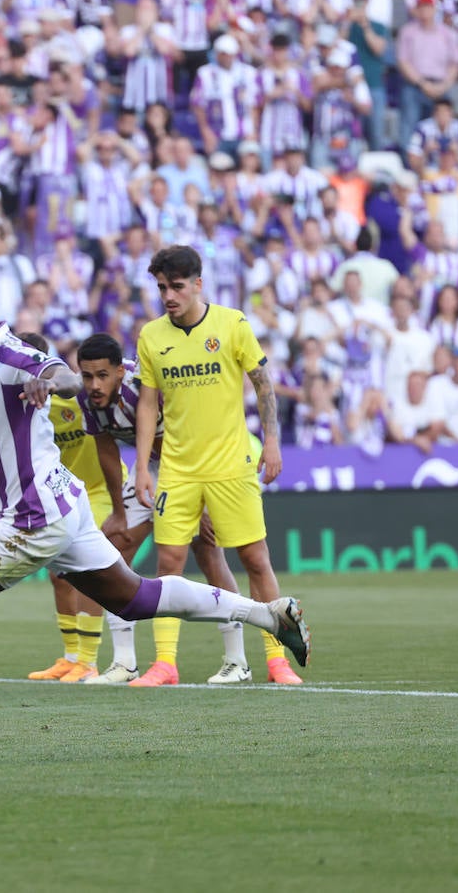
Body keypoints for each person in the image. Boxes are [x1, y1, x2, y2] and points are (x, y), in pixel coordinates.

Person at [0, 274, 310, 761]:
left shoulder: (11, 356)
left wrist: (48, 381)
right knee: (134, 597)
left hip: (34, 517)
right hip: (64, 507)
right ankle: (268, 614)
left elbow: (62, 376)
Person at [132, 246, 304, 687]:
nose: (168, 295)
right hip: (178, 470)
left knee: (255, 560)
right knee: (168, 562)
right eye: (161, 287)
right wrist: (140, 466)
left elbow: (263, 384)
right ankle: (165, 664)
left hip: (232, 465)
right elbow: (148, 404)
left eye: (176, 286)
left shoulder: (233, 324)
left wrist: (272, 442)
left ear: (198, 284)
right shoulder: (151, 336)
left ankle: (277, 661)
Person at [70, 333, 248, 686]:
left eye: (102, 375)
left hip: (192, 465)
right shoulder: (87, 399)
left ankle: (237, 661)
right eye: (87, 376)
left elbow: (194, 431)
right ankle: (124, 662)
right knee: (113, 551)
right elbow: (106, 450)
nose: (94, 384)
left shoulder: (146, 387)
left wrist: (204, 498)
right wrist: (119, 510)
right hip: (150, 471)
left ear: (121, 371)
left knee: (209, 554)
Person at [17, 331, 109, 685]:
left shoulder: (72, 397)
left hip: (100, 490)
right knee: (58, 574)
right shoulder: (24, 410)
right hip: (66, 493)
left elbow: (83, 390)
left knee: (85, 570)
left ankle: (88, 661)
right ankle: (71, 657)